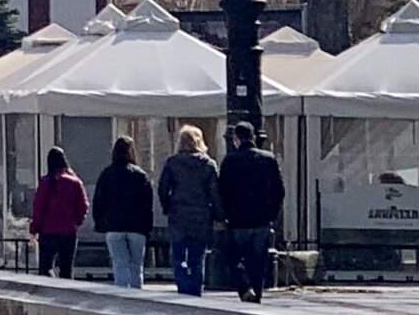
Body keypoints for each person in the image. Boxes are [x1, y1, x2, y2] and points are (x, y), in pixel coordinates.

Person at [218, 120, 286, 304]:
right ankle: (257, 290)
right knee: (259, 259)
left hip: (237, 219)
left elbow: (221, 190)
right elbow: (279, 190)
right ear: (254, 137)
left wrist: (223, 215)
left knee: (236, 258)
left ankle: (244, 286)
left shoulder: (230, 160)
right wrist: (272, 213)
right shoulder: (268, 159)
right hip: (261, 219)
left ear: (236, 138)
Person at [157, 125, 223, 297]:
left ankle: (183, 285)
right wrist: (219, 215)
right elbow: (214, 193)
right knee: (197, 255)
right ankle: (195, 288)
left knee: (178, 254)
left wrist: (167, 206)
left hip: (178, 213)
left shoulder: (172, 162)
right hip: (201, 216)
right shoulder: (208, 164)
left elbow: (163, 188)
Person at [93, 135, 155, 289]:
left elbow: (98, 200)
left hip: (114, 225)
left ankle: (122, 296)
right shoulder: (141, 175)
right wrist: (148, 227)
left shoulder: (107, 174)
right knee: (136, 265)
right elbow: (148, 204)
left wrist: (100, 221)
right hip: (137, 227)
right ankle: (136, 296)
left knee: (119, 264)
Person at [27, 146, 87, 279]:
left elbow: (38, 207)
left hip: (48, 231)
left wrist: (34, 228)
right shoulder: (75, 182)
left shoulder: (46, 182)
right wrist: (77, 222)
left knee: (46, 267)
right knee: (67, 269)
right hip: (69, 231)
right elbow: (83, 206)